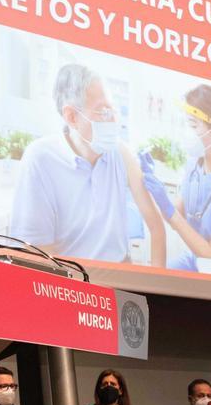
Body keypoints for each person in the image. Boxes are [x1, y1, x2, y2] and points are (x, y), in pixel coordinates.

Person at [9, 64, 166, 265]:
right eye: (103, 112)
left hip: (121, 276)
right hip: (69, 284)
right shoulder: (40, 159)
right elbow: (35, 258)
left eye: (113, 110)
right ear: (72, 117)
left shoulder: (121, 153)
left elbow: (156, 227)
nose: (114, 121)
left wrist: (155, 288)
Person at [139, 85, 211, 272]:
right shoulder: (194, 166)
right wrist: (153, 185)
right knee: (151, 279)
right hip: (196, 261)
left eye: (193, 125)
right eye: (186, 124)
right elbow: (174, 214)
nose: (187, 132)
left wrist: (169, 210)